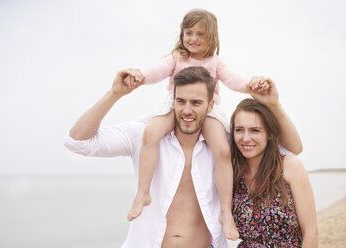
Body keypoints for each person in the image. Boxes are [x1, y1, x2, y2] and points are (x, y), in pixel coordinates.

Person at [64, 66, 302, 247]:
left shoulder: (227, 144)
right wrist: (114, 94)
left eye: (196, 103)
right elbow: (78, 142)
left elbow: (291, 149)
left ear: (210, 107)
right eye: (181, 101)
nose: (187, 110)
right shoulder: (144, 135)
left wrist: (275, 105)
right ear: (173, 101)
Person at [126, 9, 268, 240]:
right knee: (150, 133)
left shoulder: (215, 62)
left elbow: (234, 80)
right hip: (176, 107)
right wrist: (139, 75)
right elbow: (156, 72)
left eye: (200, 34)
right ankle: (143, 193)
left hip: (207, 112)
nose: (192, 39)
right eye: (188, 33)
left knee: (222, 149)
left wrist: (252, 84)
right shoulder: (176, 58)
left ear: (211, 37)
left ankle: (225, 212)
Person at [230, 80, 318, 247]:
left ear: (269, 133)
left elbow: (311, 233)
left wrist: (274, 104)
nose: (246, 138)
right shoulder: (233, 174)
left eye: (255, 130)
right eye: (239, 129)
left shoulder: (289, 166)